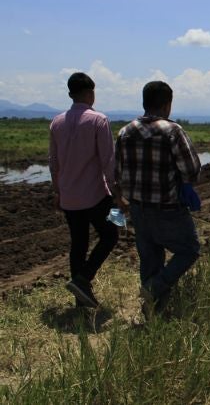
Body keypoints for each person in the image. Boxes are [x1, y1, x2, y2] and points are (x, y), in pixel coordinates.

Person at [115, 81, 202, 314]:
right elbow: (192, 169)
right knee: (189, 250)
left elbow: (117, 171)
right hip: (168, 208)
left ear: (145, 102)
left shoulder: (125, 131)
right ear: (167, 104)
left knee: (150, 258)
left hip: (138, 208)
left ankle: (152, 312)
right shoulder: (172, 130)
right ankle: (154, 288)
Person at [49, 72, 124, 308]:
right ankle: (84, 278)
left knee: (78, 243)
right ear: (91, 93)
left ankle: (80, 300)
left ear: (70, 94)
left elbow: (53, 162)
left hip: (69, 197)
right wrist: (118, 193)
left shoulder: (56, 122)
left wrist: (58, 192)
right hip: (96, 195)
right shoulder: (99, 120)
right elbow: (108, 161)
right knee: (111, 235)